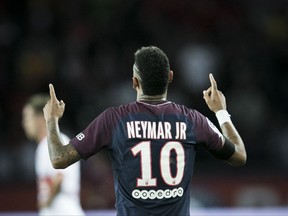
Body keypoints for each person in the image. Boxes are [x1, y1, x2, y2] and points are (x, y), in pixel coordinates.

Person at [43, 46, 246, 216]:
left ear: (134, 82)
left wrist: (52, 120)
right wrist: (220, 111)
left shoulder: (113, 119)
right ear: (170, 77)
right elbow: (239, 155)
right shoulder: (192, 119)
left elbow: (59, 159)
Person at [22, 94, 85, 216]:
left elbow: (59, 176)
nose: (24, 123)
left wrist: (46, 202)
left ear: (40, 118)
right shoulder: (45, 145)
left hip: (62, 210)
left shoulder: (52, 144)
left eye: (27, 117)